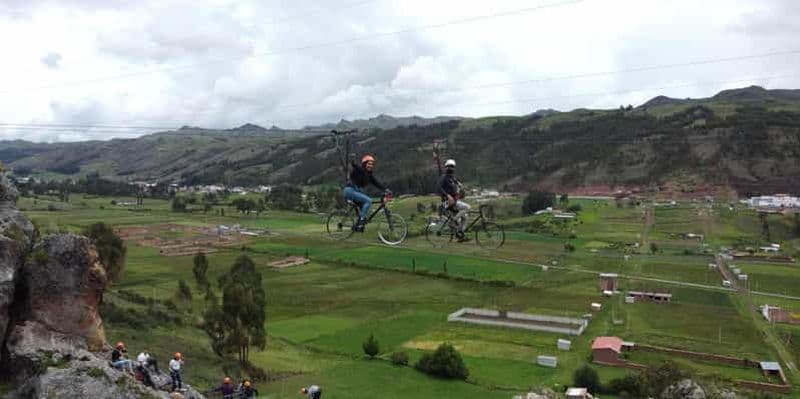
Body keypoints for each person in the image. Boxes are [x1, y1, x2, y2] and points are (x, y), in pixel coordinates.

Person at [343, 154, 391, 232]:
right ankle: (361, 221)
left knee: (364, 208)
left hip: (356, 191)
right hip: (350, 190)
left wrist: (385, 190)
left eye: (372, 164)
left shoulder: (369, 175)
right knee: (368, 200)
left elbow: (376, 183)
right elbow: (356, 167)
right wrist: (353, 163)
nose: (370, 166)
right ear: (364, 164)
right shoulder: (359, 170)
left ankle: (358, 226)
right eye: (369, 164)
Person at [438, 159, 471, 242]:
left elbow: (457, 183)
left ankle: (460, 234)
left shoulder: (452, 177)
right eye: (449, 166)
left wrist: (460, 185)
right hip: (447, 202)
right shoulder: (444, 178)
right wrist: (447, 195)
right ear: (446, 167)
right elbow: (439, 188)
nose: (451, 168)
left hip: (454, 201)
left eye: (452, 167)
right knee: (467, 207)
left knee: (465, 217)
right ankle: (453, 220)